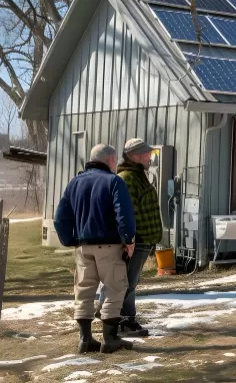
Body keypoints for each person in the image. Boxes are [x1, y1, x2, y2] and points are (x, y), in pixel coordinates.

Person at [53, 144, 137, 354]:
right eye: (115, 160)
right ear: (109, 160)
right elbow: (123, 213)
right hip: (110, 245)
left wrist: (69, 240)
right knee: (114, 288)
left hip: (83, 246)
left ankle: (85, 339)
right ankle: (110, 339)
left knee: (84, 290)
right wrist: (128, 239)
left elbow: (60, 217)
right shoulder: (114, 181)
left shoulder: (74, 183)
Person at [96, 139, 160, 338]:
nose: (150, 157)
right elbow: (126, 213)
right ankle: (125, 322)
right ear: (134, 156)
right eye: (146, 154)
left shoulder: (138, 176)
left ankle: (117, 317)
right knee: (127, 283)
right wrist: (130, 239)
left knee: (129, 282)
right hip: (136, 240)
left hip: (142, 240)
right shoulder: (127, 179)